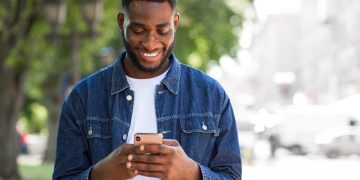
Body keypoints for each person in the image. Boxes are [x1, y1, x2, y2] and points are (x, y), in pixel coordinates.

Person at [53, 0, 242, 179]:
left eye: (162, 30)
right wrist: (99, 175)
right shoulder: (83, 97)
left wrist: (193, 174)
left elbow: (232, 176)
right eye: (138, 30)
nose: (150, 43)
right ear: (121, 22)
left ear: (175, 23)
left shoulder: (211, 95)